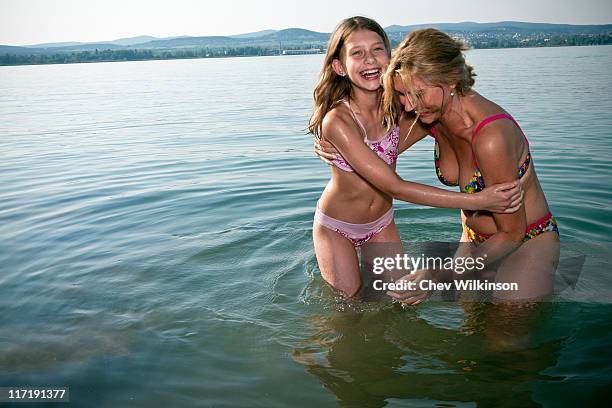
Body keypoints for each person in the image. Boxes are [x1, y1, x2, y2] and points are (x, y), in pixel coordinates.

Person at [308, 17, 523, 298]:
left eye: (377, 49)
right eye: (356, 53)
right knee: (349, 308)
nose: (370, 60)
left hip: (381, 223)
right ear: (339, 67)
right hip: (338, 226)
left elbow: (452, 107)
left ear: (391, 56)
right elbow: (394, 186)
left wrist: (501, 142)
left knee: (403, 299)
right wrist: (479, 200)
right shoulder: (338, 120)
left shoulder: (404, 105)